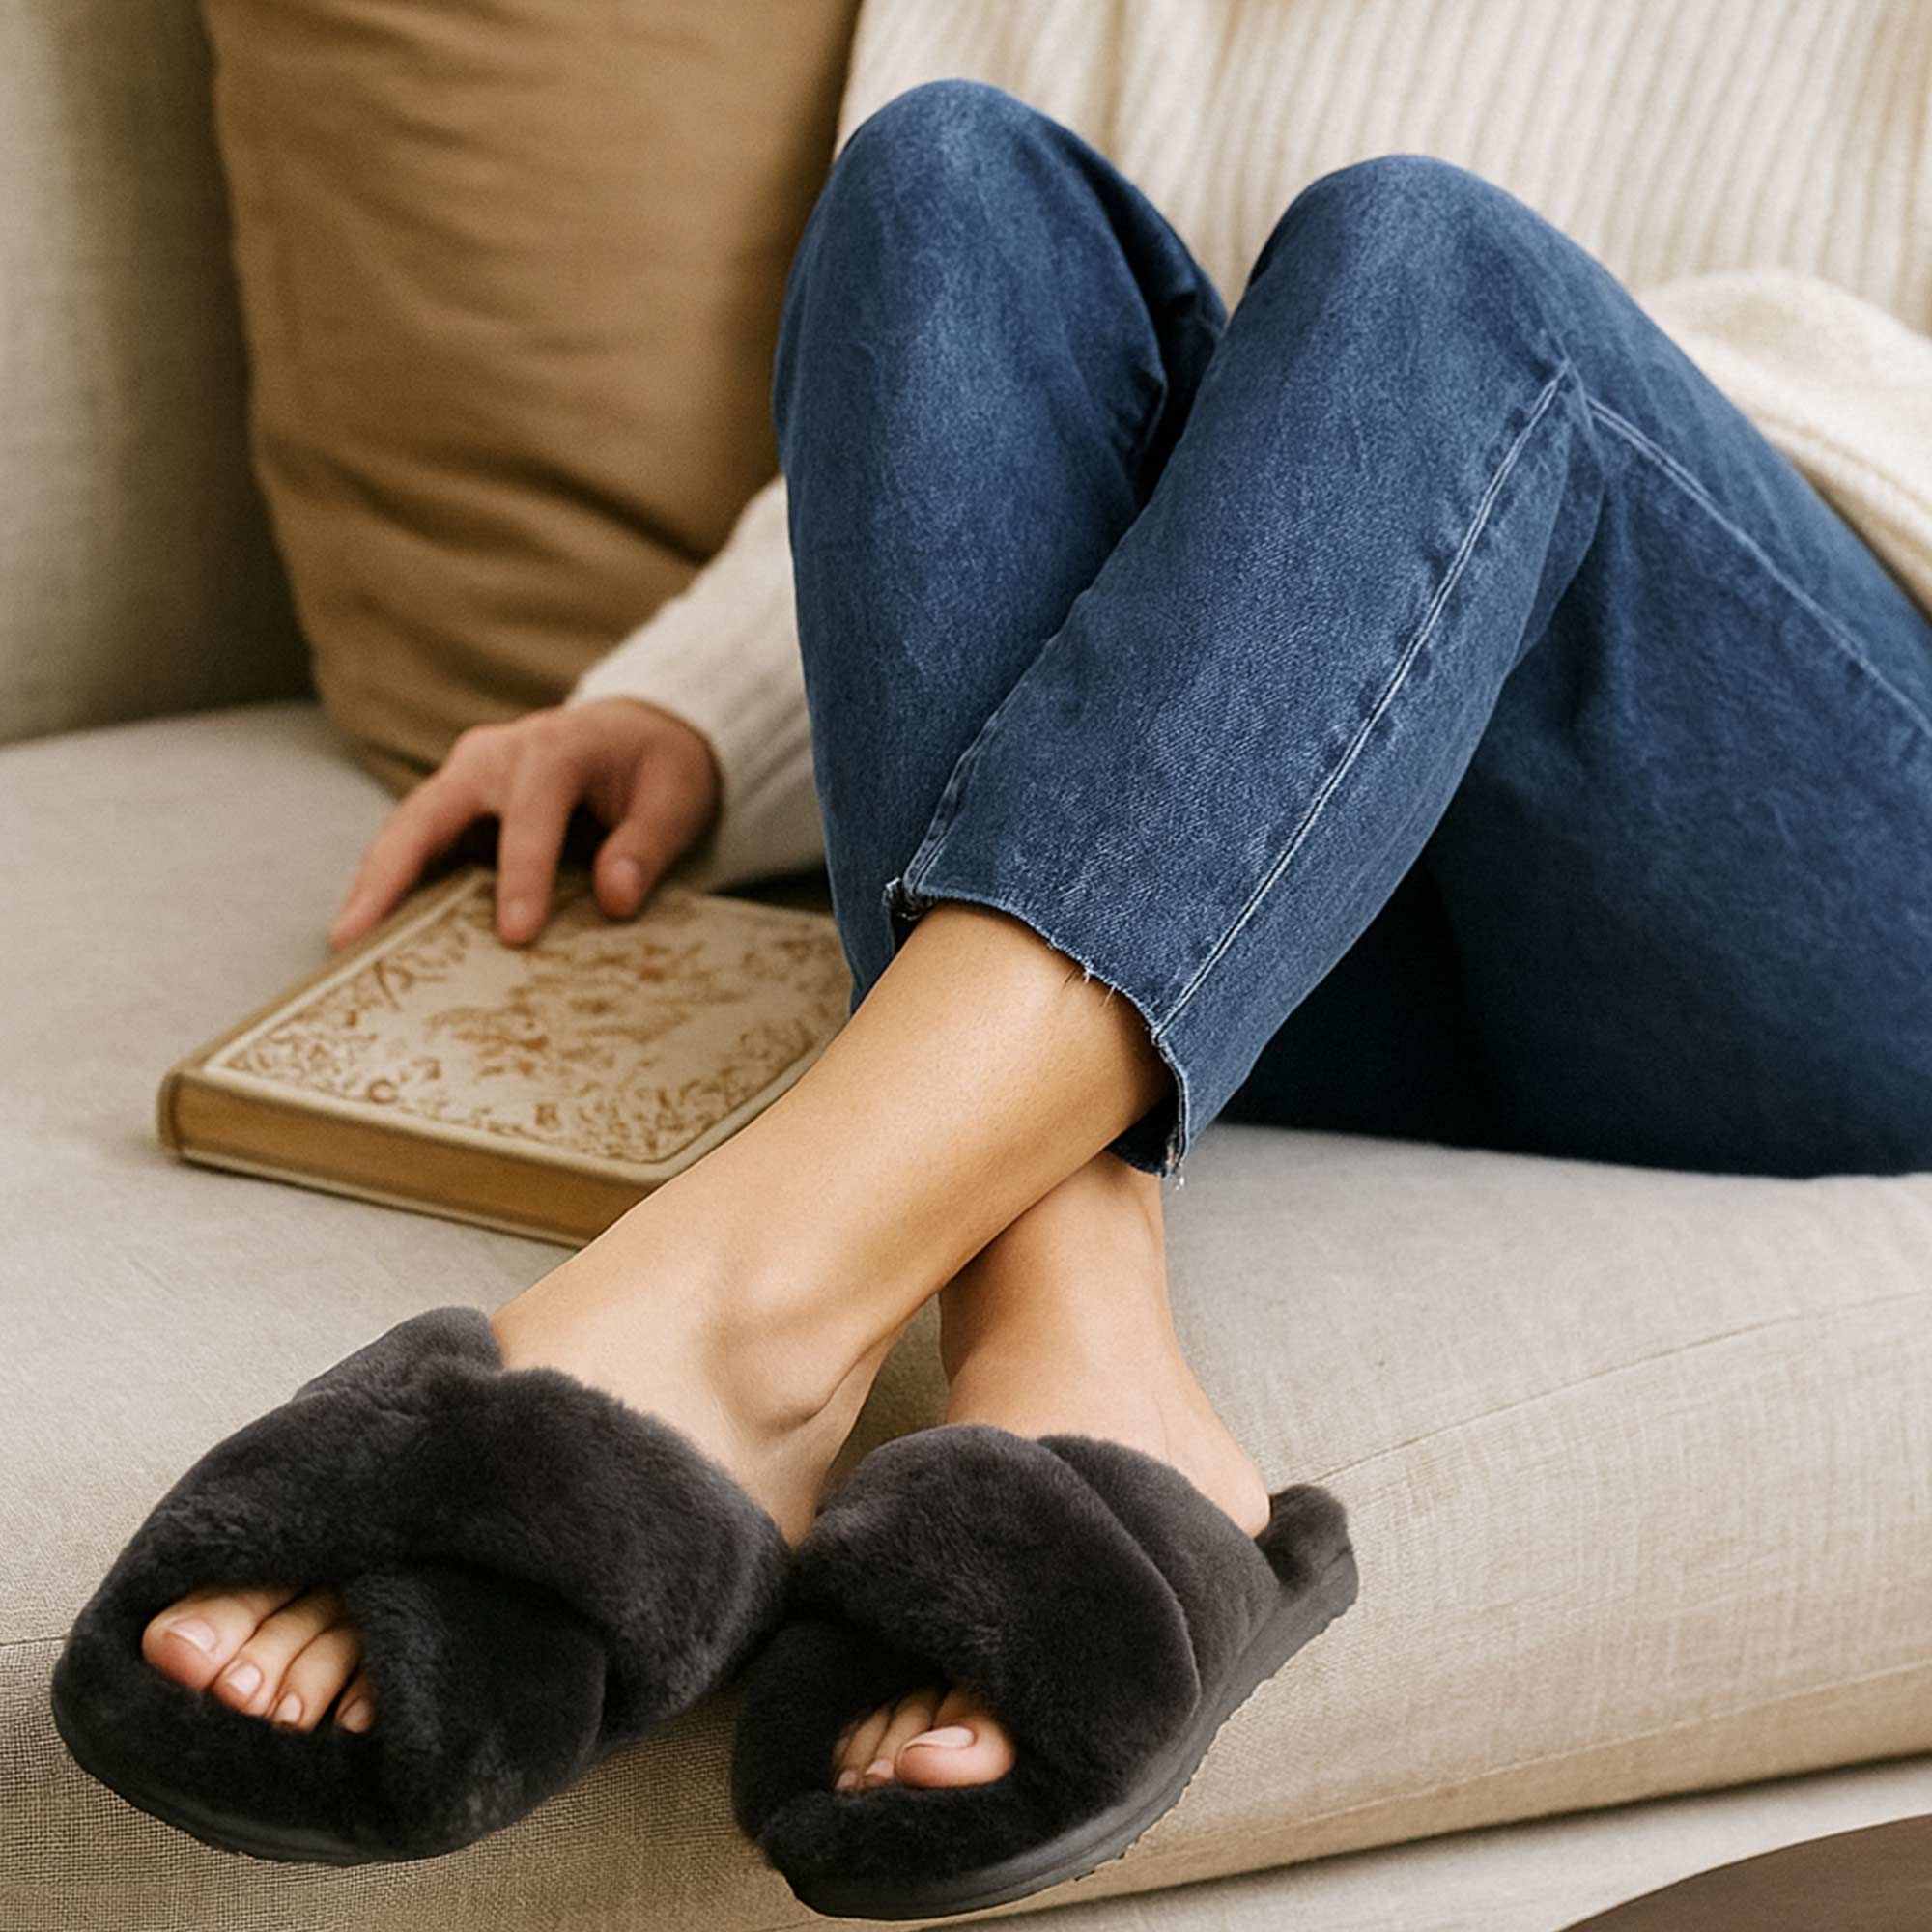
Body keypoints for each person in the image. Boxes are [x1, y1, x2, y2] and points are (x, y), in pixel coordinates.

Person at [130, 76, 1931, 1810]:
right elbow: (978, 392)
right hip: (1287, 849)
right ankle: (1065, 1330)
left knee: (1430, 261)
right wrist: (692, 708)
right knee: (940, 178)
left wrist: (1503, 400)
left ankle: (747, 1313)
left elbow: (1436, 349)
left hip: (1783, 881)